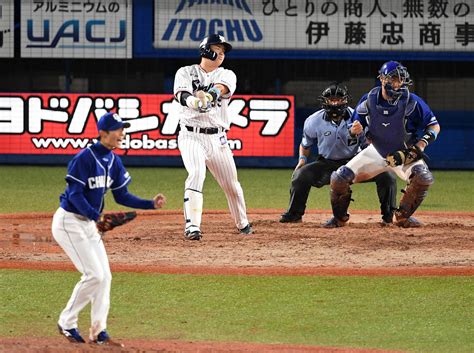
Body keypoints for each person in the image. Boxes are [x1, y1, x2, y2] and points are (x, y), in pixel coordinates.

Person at [52, 112, 166, 345]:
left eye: (123, 129)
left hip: (89, 223)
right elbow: (74, 195)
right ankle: (67, 322)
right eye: (118, 129)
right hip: (69, 223)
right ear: (103, 133)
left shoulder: (114, 160)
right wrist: (98, 216)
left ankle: (98, 331)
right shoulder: (84, 158)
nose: (122, 133)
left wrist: (150, 204)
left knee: (105, 277)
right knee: (93, 274)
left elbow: (122, 195)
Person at [324, 61, 440, 228]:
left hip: (403, 155)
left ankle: (402, 217)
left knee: (423, 177)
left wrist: (421, 145)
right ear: (382, 79)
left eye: (400, 80)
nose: (397, 83)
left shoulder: (412, 102)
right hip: (377, 152)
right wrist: (354, 129)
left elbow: (434, 126)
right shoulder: (369, 100)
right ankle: (339, 218)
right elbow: (353, 126)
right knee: (339, 179)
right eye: (393, 78)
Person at [280, 83, 397, 225]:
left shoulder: (359, 117)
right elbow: (306, 144)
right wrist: (302, 160)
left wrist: (363, 136)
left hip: (354, 163)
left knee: (387, 175)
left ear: (345, 100)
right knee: (300, 176)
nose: (335, 103)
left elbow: (368, 147)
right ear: (324, 101)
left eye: (339, 99)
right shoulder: (313, 121)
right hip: (327, 163)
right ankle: (294, 215)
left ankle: (388, 216)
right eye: (331, 99)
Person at [173, 34, 253, 240]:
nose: (221, 54)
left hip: (218, 139)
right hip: (191, 135)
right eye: (218, 49)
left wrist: (207, 97)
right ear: (206, 50)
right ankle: (192, 226)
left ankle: (242, 223)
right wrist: (194, 102)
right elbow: (181, 95)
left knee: (232, 185)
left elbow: (221, 88)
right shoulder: (185, 72)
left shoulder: (227, 74)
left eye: (224, 51)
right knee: (196, 174)